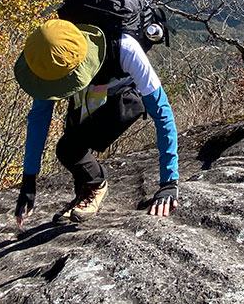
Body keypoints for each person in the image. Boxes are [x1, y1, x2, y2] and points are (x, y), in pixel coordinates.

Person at [12, 18, 179, 225]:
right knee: (72, 142)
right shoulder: (48, 61)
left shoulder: (125, 49)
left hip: (124, 94)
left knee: (68, 148)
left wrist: (169, 183)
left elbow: (162, 113)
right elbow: (39, 117)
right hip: (88, 84)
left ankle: (97, 185)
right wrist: (28, 181)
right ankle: (84, 196)